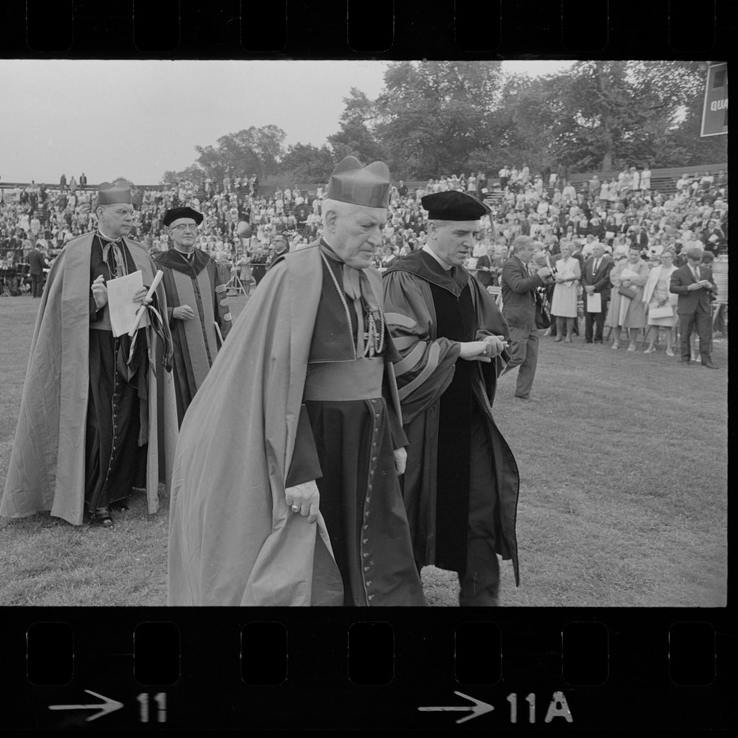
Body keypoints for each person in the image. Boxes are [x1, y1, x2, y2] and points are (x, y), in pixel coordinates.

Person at [167, 156, 424, 606]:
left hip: (370, 434)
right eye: (367, 226)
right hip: (317, 440)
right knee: (322, 555)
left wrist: (396, 437)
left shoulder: (370, 277)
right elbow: (278, 383)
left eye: (383, 227)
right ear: (329, 219)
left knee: (375, 541)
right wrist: (299, 469)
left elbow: (379, 361)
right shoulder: (292, 276)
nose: (378, 239)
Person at [0, 180, 179, 529]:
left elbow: (156, 301)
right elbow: (60, 311)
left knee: (126, 418)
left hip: (132, 344)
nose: (130, 217)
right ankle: (94, 499)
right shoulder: (77, 252)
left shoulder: (140, 252)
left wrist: (148, 300)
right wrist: (94, 304)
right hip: (92, 349)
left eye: (131, 211)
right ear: (100, 213)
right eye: (122, 212)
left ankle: (116, 491)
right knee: (100, 423)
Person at [382, 190, 520, 606]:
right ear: (432, 229)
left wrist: (488, 342)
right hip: (421, 419)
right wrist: (461, 349)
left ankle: (480, 600)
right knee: (410, 511)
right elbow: (397, 354)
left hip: (467, 415)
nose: (468, 243)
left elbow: (497, 336)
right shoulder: (402, 277)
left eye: (474, 235)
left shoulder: (469, 283)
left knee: (477, 505)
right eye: (460, 233)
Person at [153, 206, 232, 430]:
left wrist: (228, 342)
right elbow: (149, 307)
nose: (188, 231)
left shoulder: (209, 264)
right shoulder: (158, 265)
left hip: (211, 348)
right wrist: (172, 312)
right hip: (177, 350)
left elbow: (223, 306)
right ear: (170, 234)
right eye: (181, 227)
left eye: (192, 227)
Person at [500, 235, 554, 400]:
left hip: (529, 320)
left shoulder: (522, 265)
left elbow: (527, 286)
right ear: (520, 249)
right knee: (516, 356)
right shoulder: (511, 265)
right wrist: (539, 276)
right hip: (517, 319)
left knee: (531, 360)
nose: (533, 253)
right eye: (530, 250)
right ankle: (484, 377)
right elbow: (518, 286)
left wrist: (545, 280)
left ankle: (523, 393)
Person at [670, 245, 718, 368]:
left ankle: (706, 361)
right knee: (685, 334)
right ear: (689, 259)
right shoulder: (678, 272)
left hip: (703, 306)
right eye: (696, 260)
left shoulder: (707, 271)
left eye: (699, 260)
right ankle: (685, 358)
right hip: (687, 306)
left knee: (704, 334)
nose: (698, 262)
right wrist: (688, 288)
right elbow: (673, 288)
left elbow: (715, 287)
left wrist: (710, 286)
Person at [606, 245, 650, 351]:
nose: (633, 257)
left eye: (636, 254)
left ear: (639, 254)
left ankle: (633, 343)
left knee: (633, 318)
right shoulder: (621, 263)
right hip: (620, 292)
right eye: (631, 254)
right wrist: (622, 281)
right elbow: (613, 275)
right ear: (628, 254)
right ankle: (616, 341)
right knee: (617, 317)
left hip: (634, 294)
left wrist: (630, 280)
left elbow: (644, 279)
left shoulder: (643, 265)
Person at [642, 249, 679, 356]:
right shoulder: (655, 270)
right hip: (655, 298)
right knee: (654, 324)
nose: (664, 259)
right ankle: (651, 346)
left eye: (667, 257)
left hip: (669, 299)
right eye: (663, 257)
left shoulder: (676, 271)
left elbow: (675, 286)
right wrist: (656, 297)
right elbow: (650, 284)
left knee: (668, 325)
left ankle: (669, 348)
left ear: (672, 258)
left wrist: (666, 298)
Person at [581, 242, 613, 343]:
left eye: (598, 249)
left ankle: (598, 337)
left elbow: (607, 278)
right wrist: (587, 287)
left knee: (600, 317)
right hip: (588, 293)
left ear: (603, 251)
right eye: (594, 249)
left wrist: (594, 287)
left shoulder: (608, 262)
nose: (595, 251)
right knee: (588, 317)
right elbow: (583, 276)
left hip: (601, 292)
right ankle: (588, 337)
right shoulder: (588, 261)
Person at [550, 240, 581, 343]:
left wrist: (566, 280)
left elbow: (578, 275)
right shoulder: (558, 262)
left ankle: (568, 335)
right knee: (559, 312)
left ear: (571, 250)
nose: (564, 251)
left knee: (569, 312)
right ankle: (559, 335)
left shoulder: (575, 261)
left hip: (569, 287)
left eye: (566, 249)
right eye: (562, 249)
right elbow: (554, 273)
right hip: (559, 288)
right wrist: (555, 278)